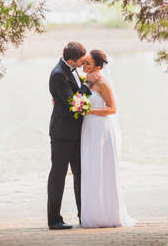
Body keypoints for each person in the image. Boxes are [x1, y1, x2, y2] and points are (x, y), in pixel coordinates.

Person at [47, 42, 100, 230]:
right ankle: (54, 219)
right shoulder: (58, 74)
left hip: (77, 133)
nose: (83, 63)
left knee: (80, 174)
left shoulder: (72, 69)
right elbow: (74, 103)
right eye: (80, 60)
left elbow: (74, 95)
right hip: (62, 134)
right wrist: (88, 84)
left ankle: (83, 215)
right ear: (71, 60)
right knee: (58, 176)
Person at [80, 49, 135, 228]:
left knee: (103, 169)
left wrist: (90, 111)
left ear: (97, 65)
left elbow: (112, 109)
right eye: (84, 62)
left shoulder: (103, 83)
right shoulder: (86, 81)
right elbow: (79, 99)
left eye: (88, 63)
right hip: (89, 129)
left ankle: (109, 214)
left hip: (102, 129)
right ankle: (93, 215)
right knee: (90, 169)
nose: (84, 65)